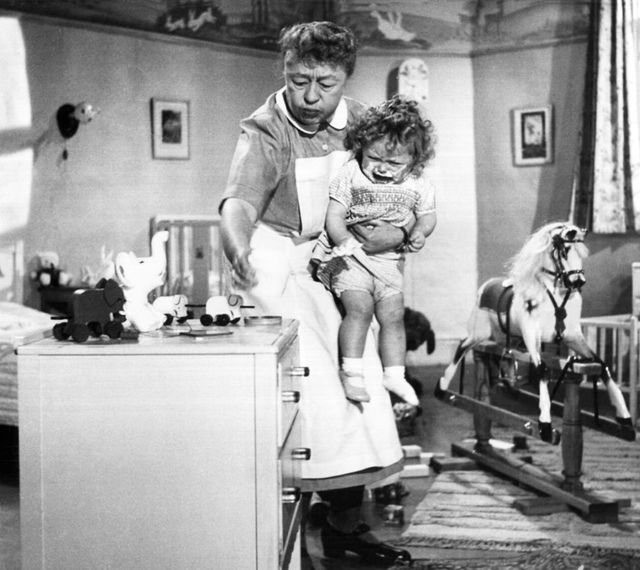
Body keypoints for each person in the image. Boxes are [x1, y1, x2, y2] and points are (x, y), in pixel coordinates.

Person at [219, 21, 412, 566]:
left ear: (345, 78)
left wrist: (395, 231)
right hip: (278, 265)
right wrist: (237, 247)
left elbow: (397, 188)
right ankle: (280, 534)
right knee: (307, 397)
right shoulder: (266, 129)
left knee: (359, 391)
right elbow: (239, 202)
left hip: (337, 258)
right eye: (297, 80)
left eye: (324, 84)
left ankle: (344, 528)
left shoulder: (366, 125)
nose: (308, 96)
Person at [310, 95, 436, 407]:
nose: (382, 168)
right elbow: (335, 215)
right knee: (360, 309)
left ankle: (395, 374)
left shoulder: (418, 183)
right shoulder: (351, 173)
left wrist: (418, 232)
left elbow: (428, 216)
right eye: (374, 157)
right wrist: (344, 240)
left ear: (414, 161)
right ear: (361, 147)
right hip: (351, 258)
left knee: (393, 316)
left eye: (394, 163)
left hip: (389, 262)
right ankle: (352, 373)